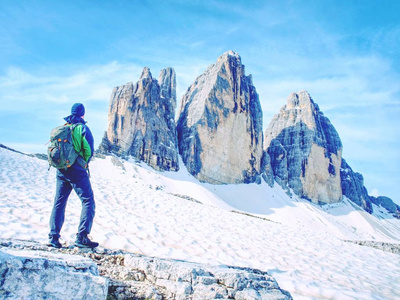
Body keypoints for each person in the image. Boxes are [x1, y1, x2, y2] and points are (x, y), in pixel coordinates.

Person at [48, 103, 99, 248]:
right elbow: (89, 150)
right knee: (88, 201)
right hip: (77, 170)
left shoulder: (63, 128)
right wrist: (83, 163)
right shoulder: (82, 128)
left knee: (59, 202)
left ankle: (53, 237)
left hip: (61, 170)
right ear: (82, 114)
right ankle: (82, 237)